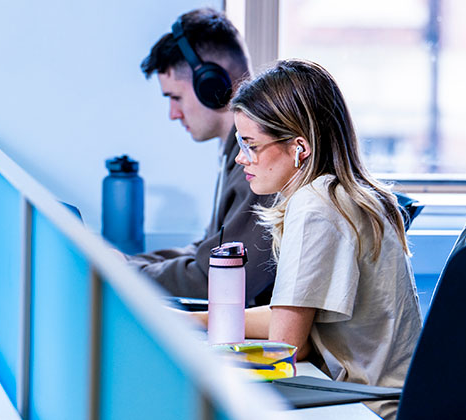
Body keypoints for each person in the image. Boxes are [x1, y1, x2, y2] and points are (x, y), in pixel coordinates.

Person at [194, 60, 423, 419]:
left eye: (250, 144)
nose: (240, 157)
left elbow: (286, 347)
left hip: (371, 407)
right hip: (385, 398)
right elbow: (290, 318)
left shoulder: (315, 207)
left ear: (299, 147)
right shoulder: (341, 195)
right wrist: (198, 320)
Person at [129, 8, 275, 305]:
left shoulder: (261, 160)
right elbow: (207, 251)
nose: (173, 114)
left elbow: (220, 277)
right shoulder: (236, 153)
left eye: (175, 97)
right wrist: (132, 264)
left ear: (211, 84)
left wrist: (130, 274)